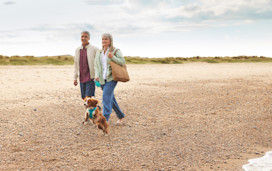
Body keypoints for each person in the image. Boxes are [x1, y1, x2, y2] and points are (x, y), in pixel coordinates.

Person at [94, 33, 125, 124]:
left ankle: (104, 120)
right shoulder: (99, 52)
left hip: (112, 78)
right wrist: (96, 76)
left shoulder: (116, 50)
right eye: (102, 39)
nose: (104, 41)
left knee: (105, 98)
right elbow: (96, 65)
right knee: (111, 98)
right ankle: (120, 116)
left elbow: (122, 62)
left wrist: (113, 57)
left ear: (110, 40)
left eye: (106, 39)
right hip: (102, 79)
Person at [74, 31, 99, 99]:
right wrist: (75, 78)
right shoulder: (77, 50)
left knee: (88, 96)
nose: (84, 38)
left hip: (91, 77)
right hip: (81, 76)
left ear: (89, 38)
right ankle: (95, 107)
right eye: (82, 36)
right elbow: (76, 65)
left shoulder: (95, 49)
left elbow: (98, 63)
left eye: (86, 37)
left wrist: (98, 75)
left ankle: (91, 108)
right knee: (83, 97)